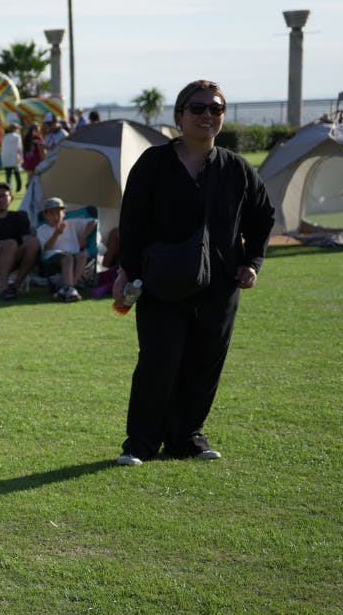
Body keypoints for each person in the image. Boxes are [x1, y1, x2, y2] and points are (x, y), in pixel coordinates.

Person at [112, 80, 274, 467]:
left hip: (219, 287)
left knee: (204, 363)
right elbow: (131, 222)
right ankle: (140, 443)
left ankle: (186, 437)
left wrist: (252, 262)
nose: (207, 116)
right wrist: (125, 273)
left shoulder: (236, 168)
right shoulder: (153, 163)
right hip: (161, 283)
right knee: (158, 362)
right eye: (198, 108)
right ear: (179, 115)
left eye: (215, 109)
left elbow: (263, 215)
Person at [36, 197, 96, 302]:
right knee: (68, 258)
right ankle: (69, 288)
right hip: (52, 256)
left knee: (82, 255)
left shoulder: (71, 223)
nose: (55, 217)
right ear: (45, 215)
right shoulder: (42, 229)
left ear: (64, 213)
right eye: (51, 214)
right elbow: (46, 248)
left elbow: (93, 222)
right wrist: (56, 234)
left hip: (73, 254)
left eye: (58, 213)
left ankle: (68, 288)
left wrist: (83, 237)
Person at [0, 123, 24, 193]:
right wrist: (21, 157)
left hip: (6, 158)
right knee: (17, 174)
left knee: (8, 175)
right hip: (15, 157)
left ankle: (9, 188)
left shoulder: (5, 137)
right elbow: (19, 148)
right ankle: (18, 187)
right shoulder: (17, 137)